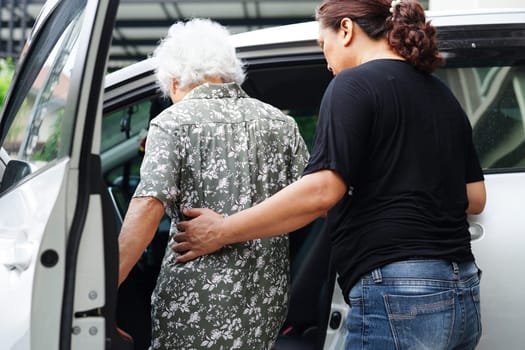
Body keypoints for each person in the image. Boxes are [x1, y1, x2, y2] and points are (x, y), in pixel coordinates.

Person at [173, 1, 487, 349]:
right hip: (462, 289)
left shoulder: (352, 85)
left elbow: (322, 190)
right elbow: (474, 197)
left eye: (324, 45)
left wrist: (221, 231)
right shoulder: (441, 94)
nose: (326, 61)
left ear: (347, 29)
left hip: (400, 293)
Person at [117, 18, 309, 350]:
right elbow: (311, 202)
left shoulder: (171, 123)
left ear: (174, 82)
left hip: (194, 303)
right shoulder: (281, 123)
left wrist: (99, 294)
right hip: (265, 300)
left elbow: (148, 205)